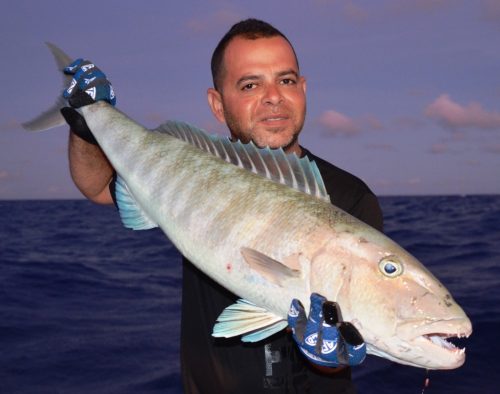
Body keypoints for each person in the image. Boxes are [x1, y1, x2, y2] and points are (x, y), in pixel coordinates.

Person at [62, 19, 383, 394]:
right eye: (250, 85)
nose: (274, 96)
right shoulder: (190, 172)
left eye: (286, 80)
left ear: (304, 89)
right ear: (218, 104)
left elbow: (355, 336)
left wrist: (329, 358)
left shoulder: (350, 196)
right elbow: (98, 185)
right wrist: (85, 124)